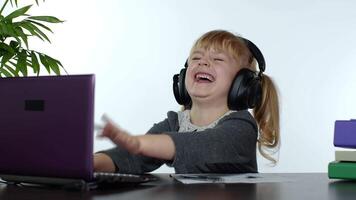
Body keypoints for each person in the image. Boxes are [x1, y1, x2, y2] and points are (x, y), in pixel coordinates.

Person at [94, 30, 280, 174]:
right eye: (196, 58)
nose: (203, 62)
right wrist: (91, 163)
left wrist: (138, 143)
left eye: (217, 59)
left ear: (243, 83)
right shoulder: (176, 123)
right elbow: (131, 157)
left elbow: (203, 146)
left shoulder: (241, 126)